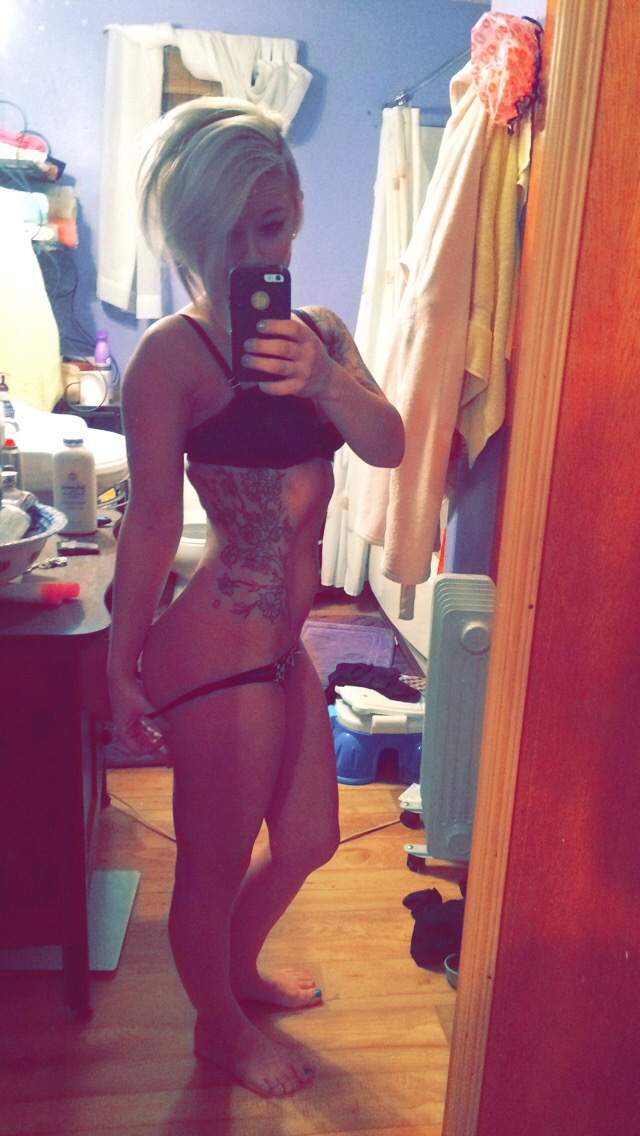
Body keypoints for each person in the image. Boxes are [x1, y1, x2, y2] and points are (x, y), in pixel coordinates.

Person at [107, 97, 404, 1100]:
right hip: (212, 655)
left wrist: (326, 381)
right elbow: (151, 524)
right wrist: (120, 667)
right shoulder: (169, 357)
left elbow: (390, 442)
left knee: (313, 840)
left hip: (286, 647)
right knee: (214, 864)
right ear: (188, 235)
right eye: (224, 233)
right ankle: (220, 1033)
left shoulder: (320, 335)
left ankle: (232, 980)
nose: (249, 253)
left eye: (269, 227)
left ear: (297, 215)